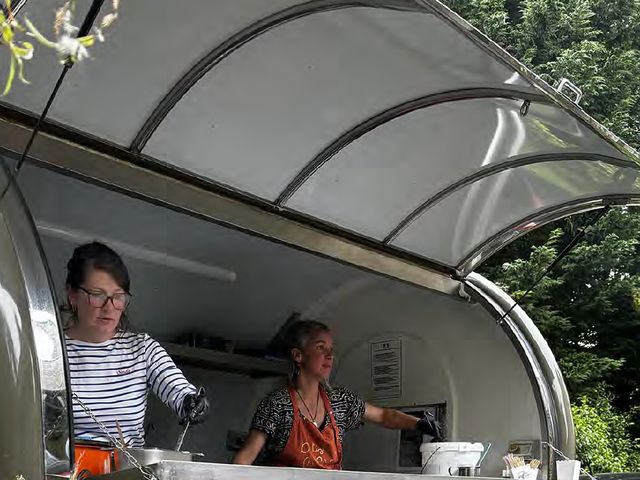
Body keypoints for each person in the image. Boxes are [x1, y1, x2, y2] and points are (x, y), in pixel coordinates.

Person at [233, 320, 442, 469]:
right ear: (298, 355)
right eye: (320, 347)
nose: (330, 355)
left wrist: (418, 423)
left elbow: (383, 416)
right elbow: (244, 459)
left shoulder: (339, 401)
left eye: (331, 349)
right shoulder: (277, 405)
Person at [64, 241, 209, 447]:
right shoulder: (48, 351)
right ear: (72, 294)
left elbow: (178, 390)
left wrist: (191, 402)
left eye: (118, 297)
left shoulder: (142, 350)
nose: (109, 307)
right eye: (97, 295)